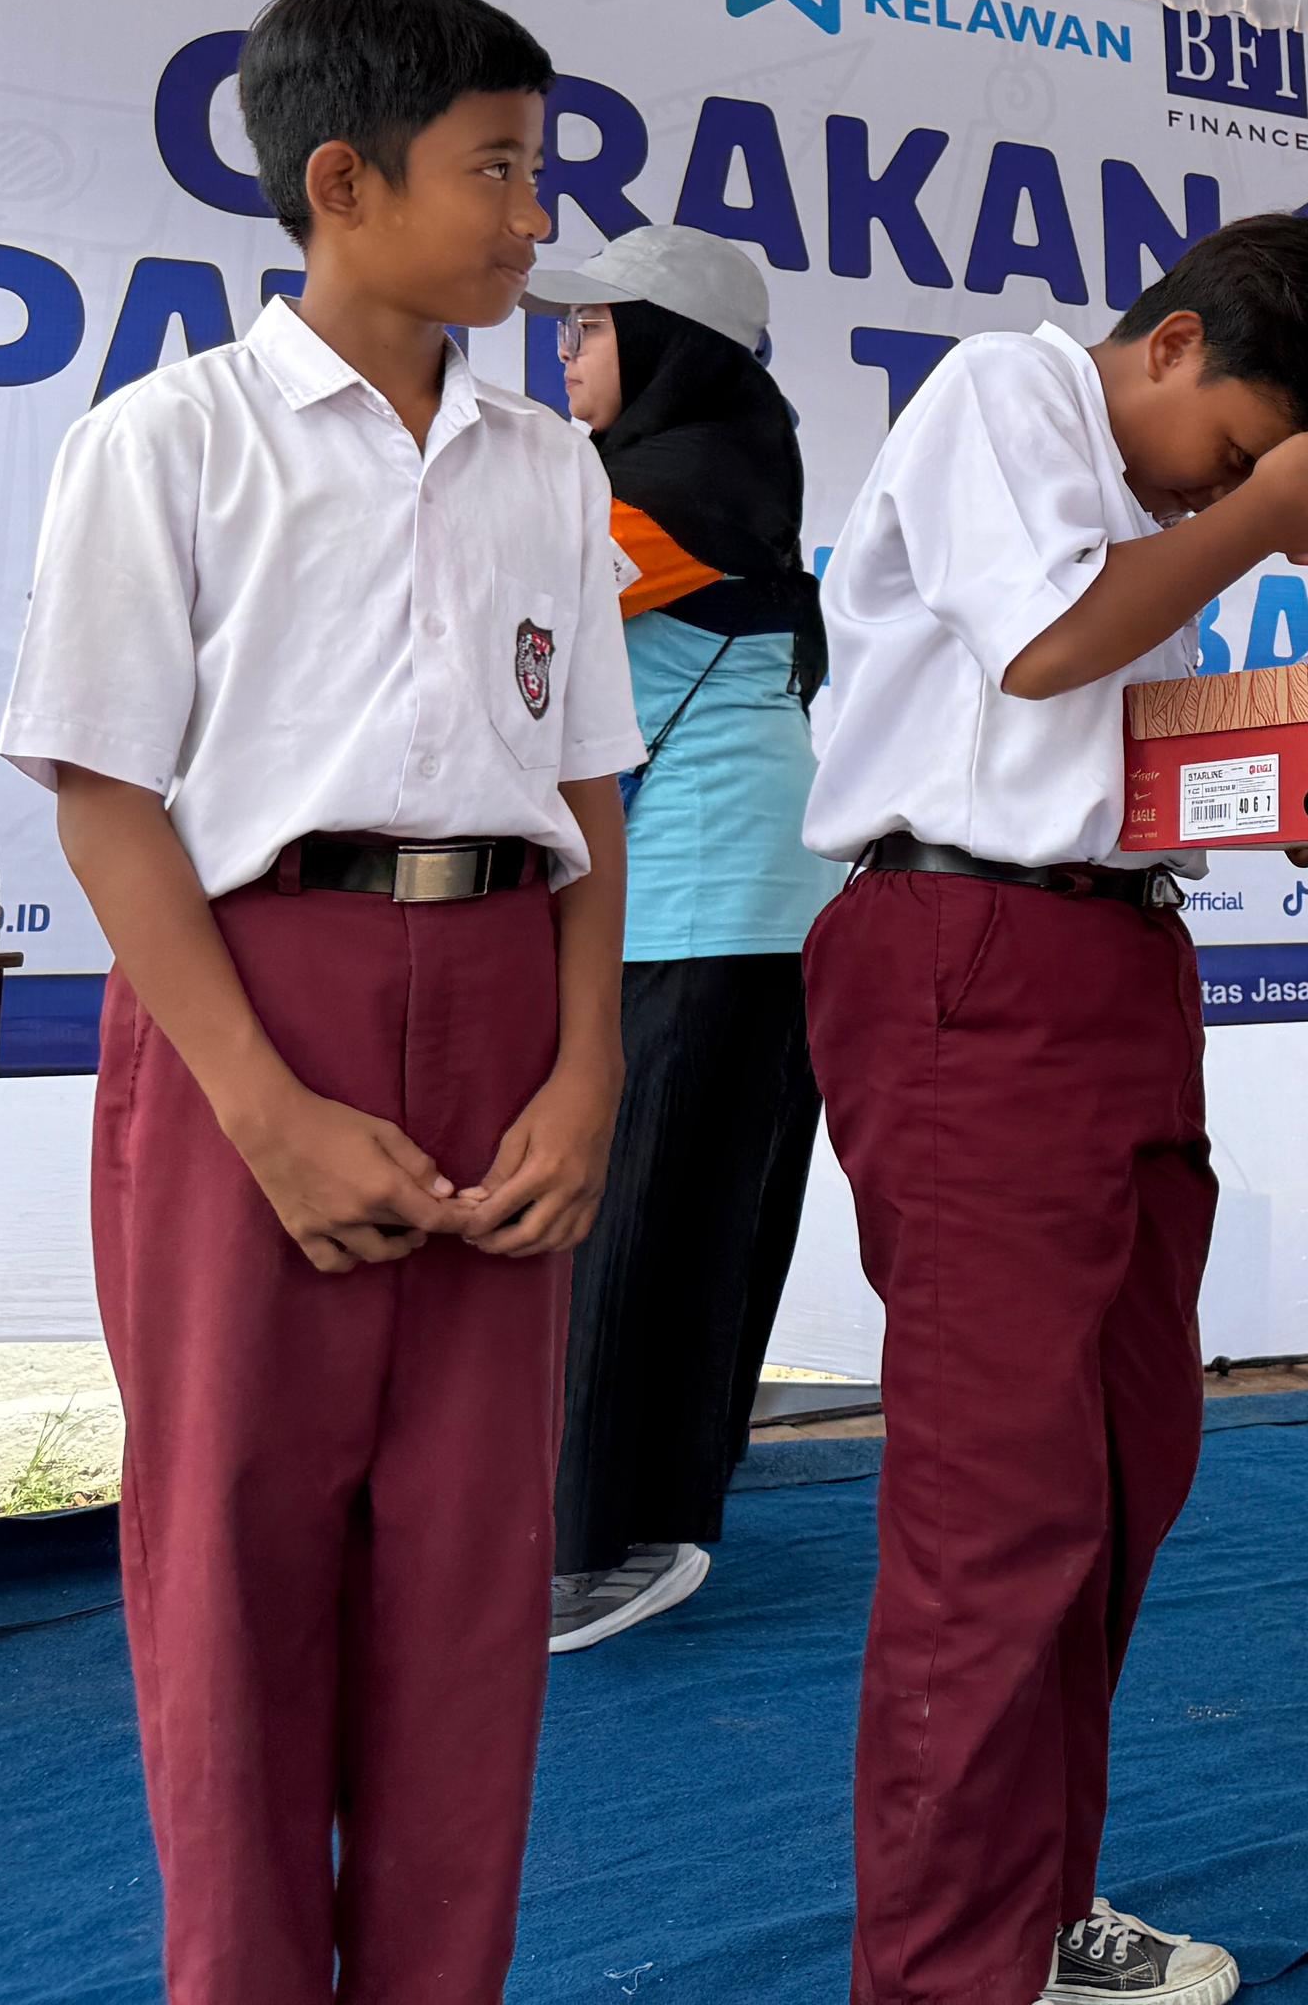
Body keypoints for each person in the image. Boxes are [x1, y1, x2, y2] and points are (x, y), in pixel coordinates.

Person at [1, 0, 640, 2005]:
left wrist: (588, 1068)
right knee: (238, 1564)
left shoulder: (547, 471)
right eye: (501, 171)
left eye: (541, 172)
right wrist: (263, 1110)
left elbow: (584, 792)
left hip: (502, 1002)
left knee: (471, 1569)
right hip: (251, 1002)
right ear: (344, 181)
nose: (537, 220)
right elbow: (109, 808)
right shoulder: (167, 445)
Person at [799, 214, 1308, 2005]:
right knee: (1000, 1507)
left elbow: (1094, 736)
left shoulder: (1143, 524)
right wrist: (1254, 512)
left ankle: (1030, 1906)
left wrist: (1296, 788)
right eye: (1235, 448)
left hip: (1115, 966)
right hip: (967, 960)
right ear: (1171, 345)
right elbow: (1051, 652)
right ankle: (942, 1970)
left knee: (1129, 1472)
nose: (1243, 500)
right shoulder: (1008, 388)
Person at [521, 221, 838, 1654]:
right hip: (732, 891)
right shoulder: (709, 470)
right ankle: (648, 1514)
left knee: (636, 1213)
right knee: (692, 1207)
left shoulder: (668, 487)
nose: (563, 352)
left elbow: (511, 621)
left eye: (586, 330)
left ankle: (595, 1542)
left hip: (703, 893)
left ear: (665, 348)